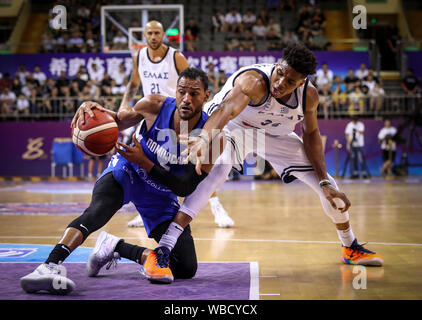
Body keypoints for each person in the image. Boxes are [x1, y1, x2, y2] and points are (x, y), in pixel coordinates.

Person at [19, 68, 224, 295]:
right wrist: (92, 107)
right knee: (98, 211)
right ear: (175, 91)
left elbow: (184, 186)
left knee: (185, 267)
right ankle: (48, 266)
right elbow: (117, 120)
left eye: (194, 94)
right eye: (181, 91)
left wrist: (145, 161)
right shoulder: (154, 105)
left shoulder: (213, 138)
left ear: (206, 96)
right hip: (128, 170)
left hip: (161, 193)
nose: (186, 99)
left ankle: (115, 247)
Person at [180, 43, 383, 269]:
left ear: (302, 82)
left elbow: (311, 132)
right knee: (215, 176)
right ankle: (167, 244)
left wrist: (324, 180)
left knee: (331, 188)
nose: (280, 83)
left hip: (274, 135)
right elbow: (227, 110)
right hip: (233, 125)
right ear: (277, 65)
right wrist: (206, 137)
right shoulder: (254, 81)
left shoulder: (309, 96)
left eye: (290, 81)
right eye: (280, 74)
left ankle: (350, 247)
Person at [115, 20, 232, 228]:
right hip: (152, 115)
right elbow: (133, 83)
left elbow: (194, 81)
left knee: (192, 167)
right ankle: (147, 208)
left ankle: (216, 207)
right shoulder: (139, 57)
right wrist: (124, 104)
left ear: (163, 35)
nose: (153, 37)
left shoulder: (176, 57)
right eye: (149, 33)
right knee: (148, 162)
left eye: (157, 33)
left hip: (179, 115)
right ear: (144, 35)